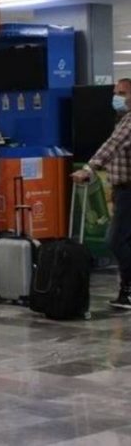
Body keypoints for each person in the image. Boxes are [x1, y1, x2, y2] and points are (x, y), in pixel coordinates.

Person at [72, 78, 131, 310]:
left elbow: (112, 145)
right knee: (125, 240)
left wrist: (89, 168)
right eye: (116, 92)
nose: (117, 97)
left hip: (128, 191)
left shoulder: (129, 121)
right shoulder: (122, 119)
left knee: (114, 240)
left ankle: (128, 288)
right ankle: (125, 290)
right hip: (121, 190)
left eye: (123, 92)